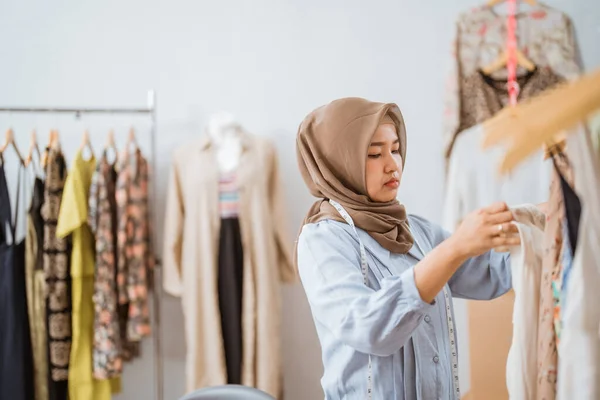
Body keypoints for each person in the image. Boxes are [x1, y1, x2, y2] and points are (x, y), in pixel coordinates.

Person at [295, 97, 522, 400]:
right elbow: (369, 327)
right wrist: (454, 249)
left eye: (396, 149)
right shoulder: (322, 240)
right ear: (340, 163)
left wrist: (543, 223)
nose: (392, 164)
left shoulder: (415, 230)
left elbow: (493, 273)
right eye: (374, 153)